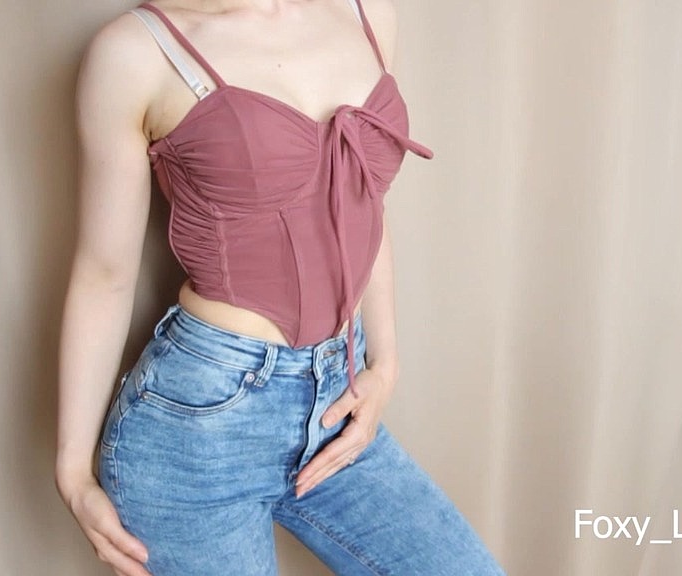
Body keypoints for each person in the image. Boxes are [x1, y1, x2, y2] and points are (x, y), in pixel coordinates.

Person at [55, 0, 506, 574]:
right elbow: (105, 273)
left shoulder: (365, 12)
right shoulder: (137, 51)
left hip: (334, 398)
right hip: (201, 430)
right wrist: (72, 471)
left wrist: (385, 363)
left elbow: (362, 201)